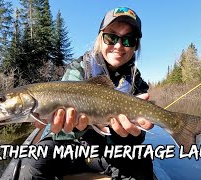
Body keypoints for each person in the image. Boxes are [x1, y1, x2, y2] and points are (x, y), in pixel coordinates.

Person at [19, 7, 155, 180]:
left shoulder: (138, 83)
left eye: (128, 40)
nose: (119, 45)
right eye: (111, 37)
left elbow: (140, 135)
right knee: (31, 162)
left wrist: (130, 135)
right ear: (100, 38)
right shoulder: (79, 70)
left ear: (135, 46)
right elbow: (58, 131)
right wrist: (72, 128)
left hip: (114, 153)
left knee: (143, 159)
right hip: (74, 150)